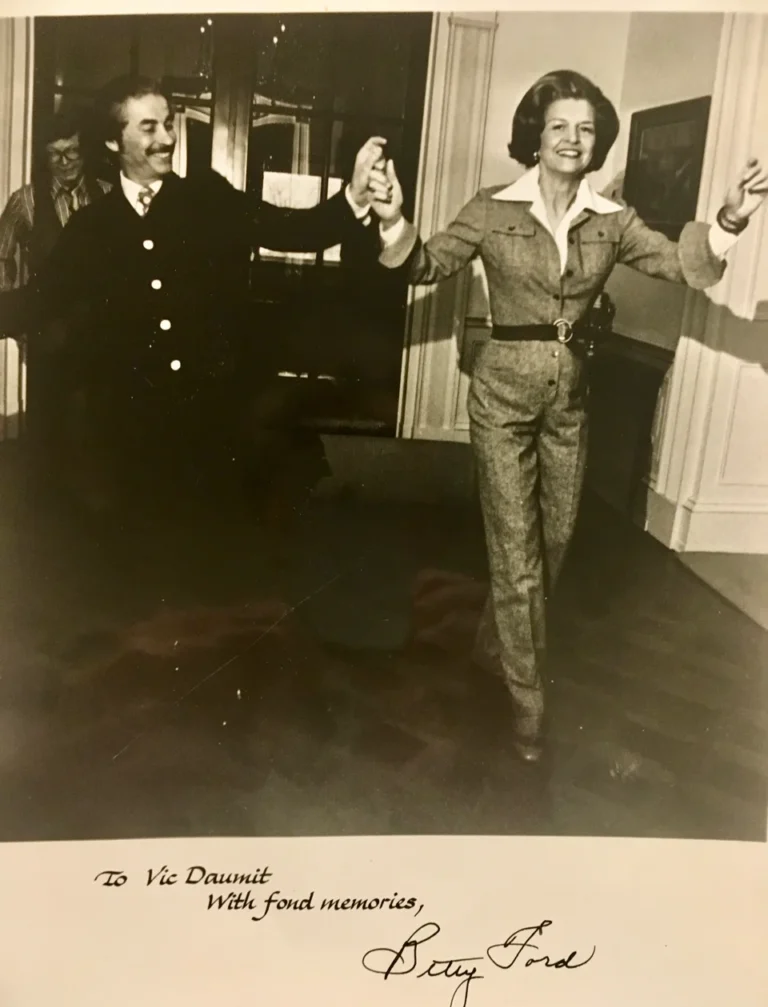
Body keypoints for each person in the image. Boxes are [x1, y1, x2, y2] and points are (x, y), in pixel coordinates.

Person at [369, 69, 768, 763]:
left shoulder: (612, 220)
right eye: (559, 126)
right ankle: (527, 703)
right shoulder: (492, 208)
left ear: (599, 140)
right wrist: (393, 219)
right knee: (517, 552)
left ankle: (494, 644)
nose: (572, 139)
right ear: (535, 135)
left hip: (570, 403)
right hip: (500, 397)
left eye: (585, 128)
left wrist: (729, 221)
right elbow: (426, 264)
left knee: (552, 543)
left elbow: (679, 263)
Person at [0, 75, 391, 517]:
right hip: (129, 441)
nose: (167, 138)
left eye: (167, 124)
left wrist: (354, 196)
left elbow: (292, 229)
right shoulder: (91, 228)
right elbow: (36, 300)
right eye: (149, 127)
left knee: (207, 560)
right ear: (113, 142)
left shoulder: (207, 197)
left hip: (212, 432)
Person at [0, 109, 111, 472]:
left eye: (72, 152)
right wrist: (17, 315)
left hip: (98, 332)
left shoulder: (108, 197)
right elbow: (2, 257)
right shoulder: (26, 201)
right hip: (47, 334)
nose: (63, 162)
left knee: (93, 430)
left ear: (86, 151)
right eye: (54, 154)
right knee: (47, 433)